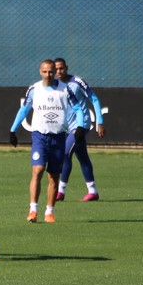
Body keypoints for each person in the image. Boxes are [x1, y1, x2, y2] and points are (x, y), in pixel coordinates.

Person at [9, 59, 84, 224]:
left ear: (55, 72)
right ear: (40, 71)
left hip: (58, 136)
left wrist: (80, 127)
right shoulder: (34, 89)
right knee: (38, 170)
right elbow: (25, 109)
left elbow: (78, 108)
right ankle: (33, 210)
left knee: (53, 176)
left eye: (51, 71)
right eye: (45, 72)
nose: (48, 75)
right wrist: (13, 129)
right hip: (39, 136)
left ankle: (49, 212)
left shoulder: (65, 90)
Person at [54, 58, 105, 202]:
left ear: (67, 68)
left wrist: (99, 122)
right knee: (82, 157)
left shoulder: (77, 82)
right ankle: (93, 191)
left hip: (80, 125)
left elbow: (93, 99)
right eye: (56, 69)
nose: (59, 72)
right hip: (66, 126)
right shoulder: (54, 85)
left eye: (61, 68)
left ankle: (60, 191)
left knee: (65, 153)